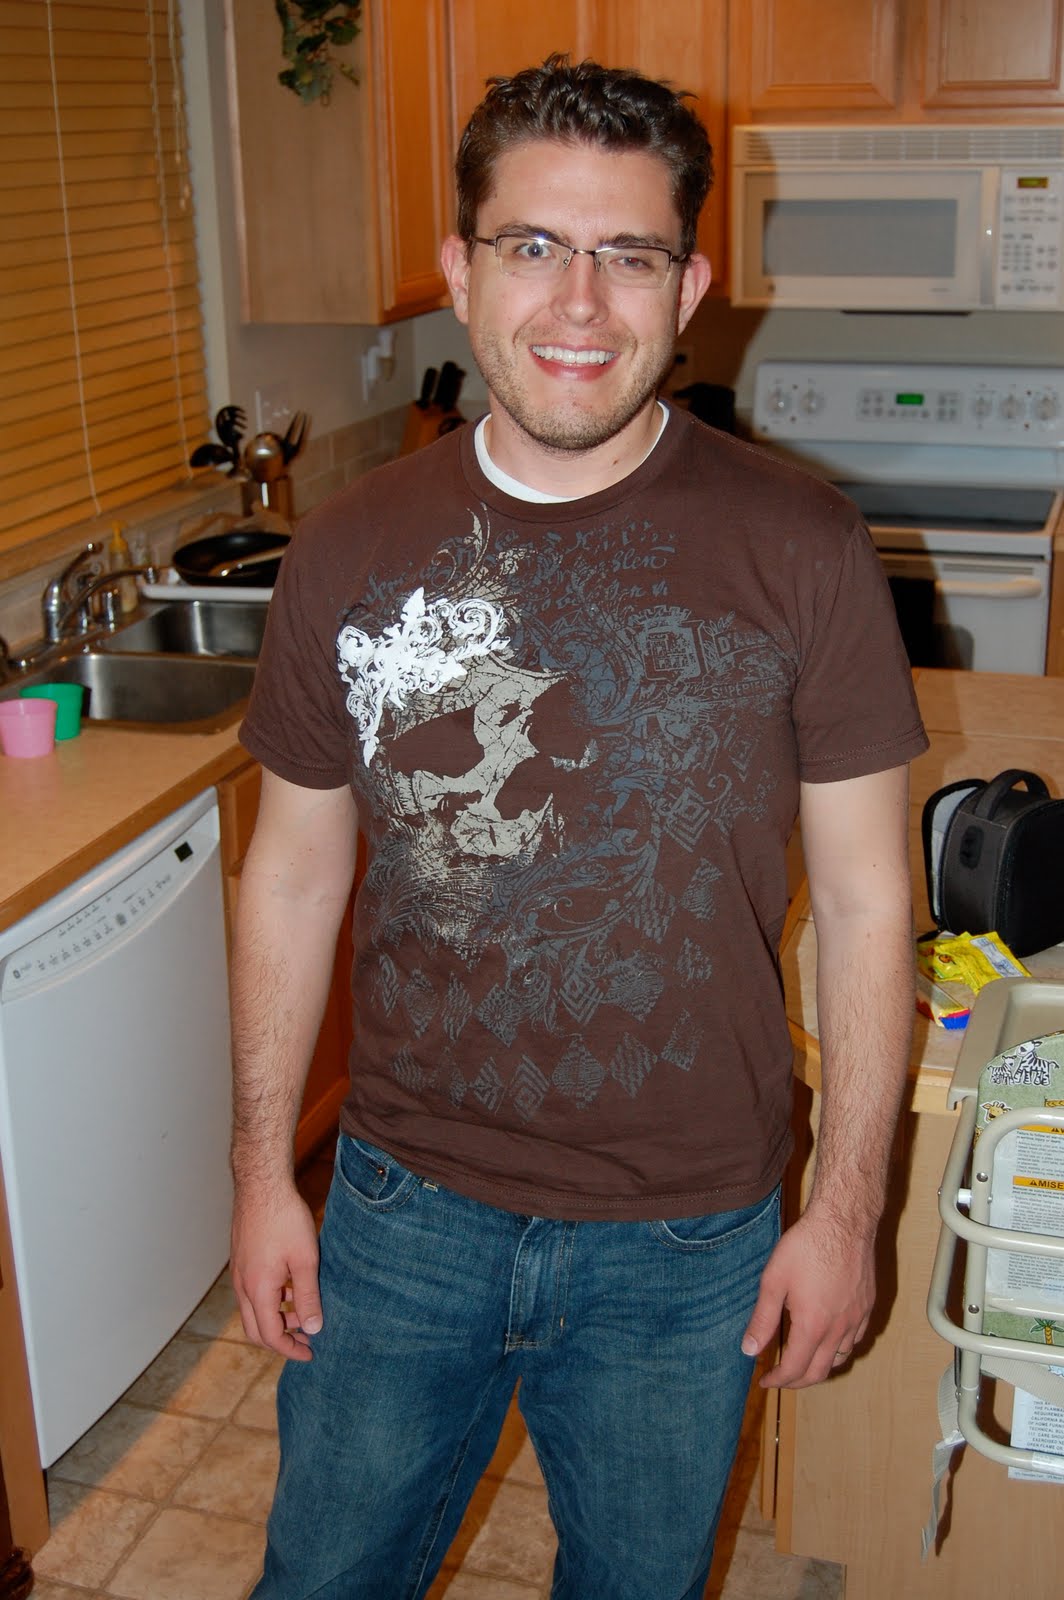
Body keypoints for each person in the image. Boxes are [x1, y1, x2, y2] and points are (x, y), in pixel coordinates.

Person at [231, 54, 928, 1600]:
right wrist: (265, 1171)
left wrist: (848, 1213)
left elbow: (870, 905)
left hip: (686, 1234)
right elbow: (291, 876)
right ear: (460, 268)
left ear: (691, 287)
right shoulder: (349, 550)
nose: (580, 304)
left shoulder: (803, 548)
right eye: (534, 245)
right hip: (404, 1203)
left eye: (628, 256)